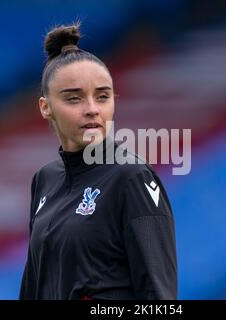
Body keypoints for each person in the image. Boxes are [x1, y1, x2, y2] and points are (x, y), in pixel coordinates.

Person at [19, 22, 178, 300]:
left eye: (102, 96)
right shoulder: (44, 180)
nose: (92, 109)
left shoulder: (132, 178)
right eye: (74, 98)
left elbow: (159, 300)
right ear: (46, 107)